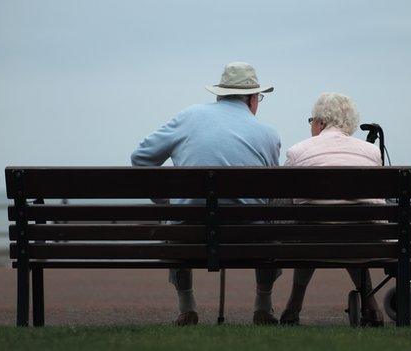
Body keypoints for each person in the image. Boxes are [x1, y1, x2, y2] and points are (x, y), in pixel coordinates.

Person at [130, 62, 282, 326]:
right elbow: (271, 192)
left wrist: (166, 202)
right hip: (249, 239)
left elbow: (141, 158)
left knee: (176, 218)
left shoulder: (189, 117)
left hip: (189, 236)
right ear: (251, 98)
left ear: (220, 94)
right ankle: (263, 306)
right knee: (269, 224)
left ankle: (187, 307)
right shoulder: (268, 134)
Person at [279, 92, 385, 326]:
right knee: (350, 232)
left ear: (320, 122)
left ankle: (293, 307)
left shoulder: (298, 151)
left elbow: (286, 202)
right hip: (362, 240)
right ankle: (372, 307)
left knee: (310, 230)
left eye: (311, 121)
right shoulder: (371, 152)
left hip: (312, 240)